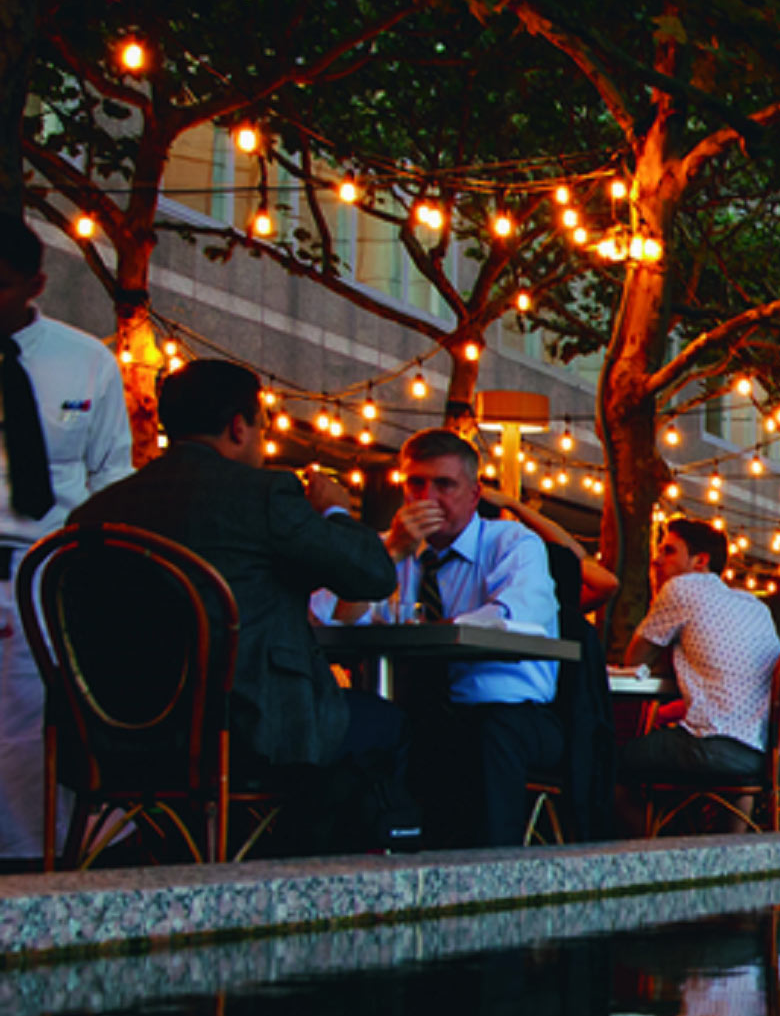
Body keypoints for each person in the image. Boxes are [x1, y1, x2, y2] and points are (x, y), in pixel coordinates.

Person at [65, 360, 401, 808]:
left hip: (114, 736)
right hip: (249, 732)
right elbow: (374, 575)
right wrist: (335, 512)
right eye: (263, 427)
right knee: (388, 727)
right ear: (239, 428)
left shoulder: (94, 513)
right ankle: (319, 871)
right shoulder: (264, 496)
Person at [339, 429, 563, 850]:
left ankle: (492, 878)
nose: (428, 497)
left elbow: (513, 617)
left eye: (444, 485)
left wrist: (433, 630)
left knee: (486, 734)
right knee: (352, 725)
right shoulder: (387, 551)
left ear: (474, 494)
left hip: (511, 710)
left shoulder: (511, 543)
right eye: (416, 484)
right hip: (414, 710)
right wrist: (388, 558)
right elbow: (334, 619)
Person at [0, 216, 134, 865]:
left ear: (34, 284)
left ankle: (37, 868)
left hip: (48, 575)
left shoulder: (86, 361)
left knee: (35, 733)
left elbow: (112, 476)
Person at [617, 517, 780, 786]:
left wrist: (658, 593)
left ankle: (645, 830)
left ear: (700, 561)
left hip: (722, 746)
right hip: (778, 752)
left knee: (617, 758)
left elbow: (633, 662)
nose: (657, 561)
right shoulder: (754, 604)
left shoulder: (682, 587)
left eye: (668, 551)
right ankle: (728, 829)